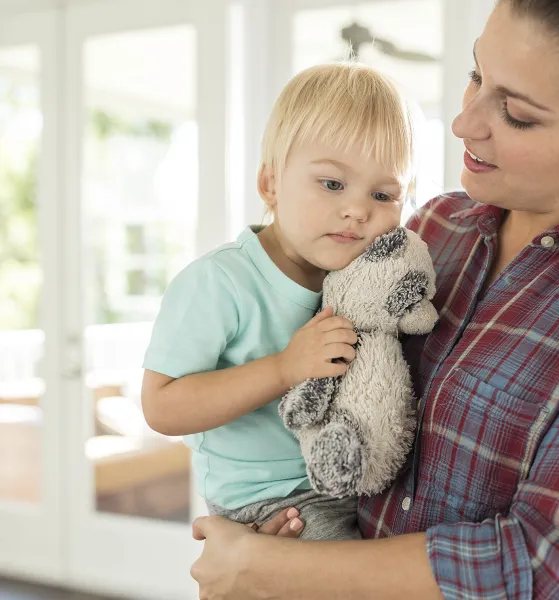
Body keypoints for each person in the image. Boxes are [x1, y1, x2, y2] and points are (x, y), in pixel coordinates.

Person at [189, 0, 559, 597]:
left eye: (518, 115)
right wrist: (287, 527)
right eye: (477, 75)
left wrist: (265, 566)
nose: (464, 124)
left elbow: (549, 569)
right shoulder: (435, 227)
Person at [140, 62, 418, 541]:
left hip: (347, 480)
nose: (357, 209)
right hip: (272, 501)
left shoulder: (359, 279)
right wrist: (284, 369)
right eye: (332, 184)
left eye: (382, 193)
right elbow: (161, 408)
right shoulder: (220, 282)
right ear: (270, 185)